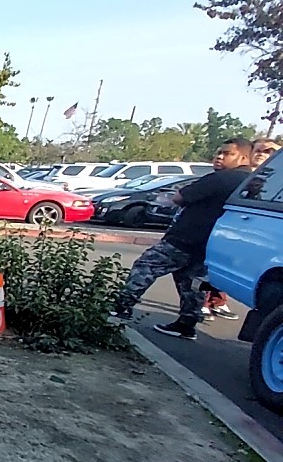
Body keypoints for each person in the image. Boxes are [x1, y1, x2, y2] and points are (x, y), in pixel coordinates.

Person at [111, 138, 253, 339]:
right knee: (190, 280)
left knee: (146, 266)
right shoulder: (253, 183)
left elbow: (180, 198)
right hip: (211, 244)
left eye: (227, 153)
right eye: (218, 152)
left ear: (244, 157)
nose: (219, 157)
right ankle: (187, 324)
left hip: (186, 237)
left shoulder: (220, 179)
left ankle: (121, 308)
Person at [200, 137, 279, 322]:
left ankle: (216, 301)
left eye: (269, 151)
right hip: (222, 229)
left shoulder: (268, 180)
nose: (262, 154)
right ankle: (206, 302)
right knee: (213, 264)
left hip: (258, 235)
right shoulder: (243, 177)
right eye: (259, 149)